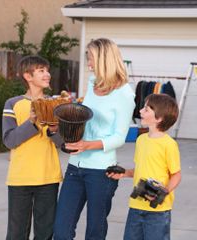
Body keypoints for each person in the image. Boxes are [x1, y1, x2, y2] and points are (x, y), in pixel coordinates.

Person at [53, 38, 135, 239]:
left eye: (91, 58)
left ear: (104, 59)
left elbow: (119, 137)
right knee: (61, 231)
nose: (88, 63)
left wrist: (88, 145)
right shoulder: (91, 84)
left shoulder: (124, 93)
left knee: (94, 232)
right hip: (75, 167)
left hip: (101, 172)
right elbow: (86, 119)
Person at [2, 55, 63, 239]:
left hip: (48, 176)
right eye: (41, 71)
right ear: (28, 76)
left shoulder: (56, 104)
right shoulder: (13, 103)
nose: (48, 74)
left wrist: (53, 129)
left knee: (45, 233)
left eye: (47, 70)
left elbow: (62, 143)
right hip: (20, 178)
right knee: (16, 233)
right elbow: (10, 140)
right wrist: (33, 122)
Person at [109, 93, 182, 240]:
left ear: (159, 118)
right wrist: (124, 173)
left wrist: (164, 191)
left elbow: (176, 175)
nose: (141, 111)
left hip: (158, 211)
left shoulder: (169, 144)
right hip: (136, 206)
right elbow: (142, 169)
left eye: (146, 109)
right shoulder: (141, 140)